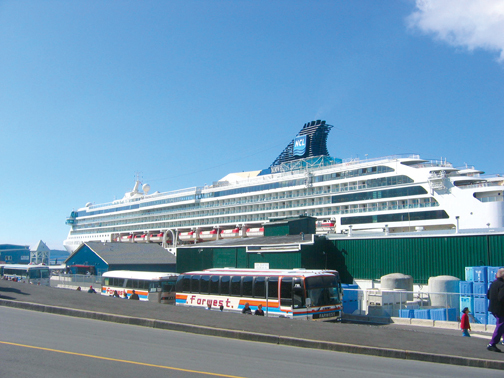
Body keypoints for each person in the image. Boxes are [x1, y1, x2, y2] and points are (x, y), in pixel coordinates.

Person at [487, 268, 504, 352]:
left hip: (493, 308)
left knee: (502, 325)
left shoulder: (493, 283)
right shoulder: (502, 285)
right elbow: (502, 297)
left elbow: (488, 295)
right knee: (500, 325)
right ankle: (492, 343)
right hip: (501, 309)